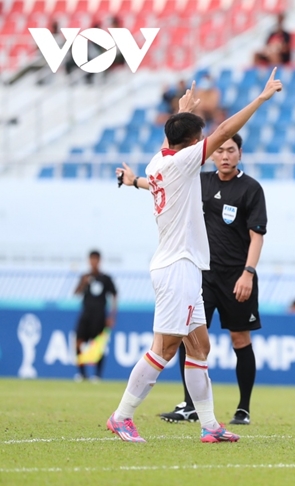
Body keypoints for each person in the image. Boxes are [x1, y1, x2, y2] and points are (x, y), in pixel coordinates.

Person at [109, 68, 282, 443]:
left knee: (199, 345)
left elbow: (175, 137)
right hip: (178, 268)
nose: (208, 145)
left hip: (182, 266)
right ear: (192, 144)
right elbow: (222, 132)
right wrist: (261, 99)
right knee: (166, 347)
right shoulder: (181, 162)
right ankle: (122, 416)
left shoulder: (159, 161)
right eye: (200, 140)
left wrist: (182, 109)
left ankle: (209, 425)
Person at [121, 132, 265, 427]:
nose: (225, 156)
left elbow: (256, 235)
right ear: (211, 155)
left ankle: (243, 408)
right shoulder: (200, 181)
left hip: (237, 275)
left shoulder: (250, 188)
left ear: (240, 154)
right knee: (190, 340)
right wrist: (133, 181)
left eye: (231, 150)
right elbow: (162, 186)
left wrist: (248, 273)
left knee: (238, 339)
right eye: (220, 150)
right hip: (200, 274)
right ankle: (191, 407)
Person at [73, 250, 117, 382]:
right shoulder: (85, 277)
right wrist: (83, 283)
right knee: (78, 342)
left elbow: (114, 296)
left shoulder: (106, 278)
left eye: (96, 259)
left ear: (99, 261)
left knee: (98, 346)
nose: (93, 262)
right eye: (91, 259)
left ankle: (97, 375)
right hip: (86, 315)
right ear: (89, 261)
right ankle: (82, 374)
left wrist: (112, 316)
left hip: (99, 317)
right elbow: (76, 293)